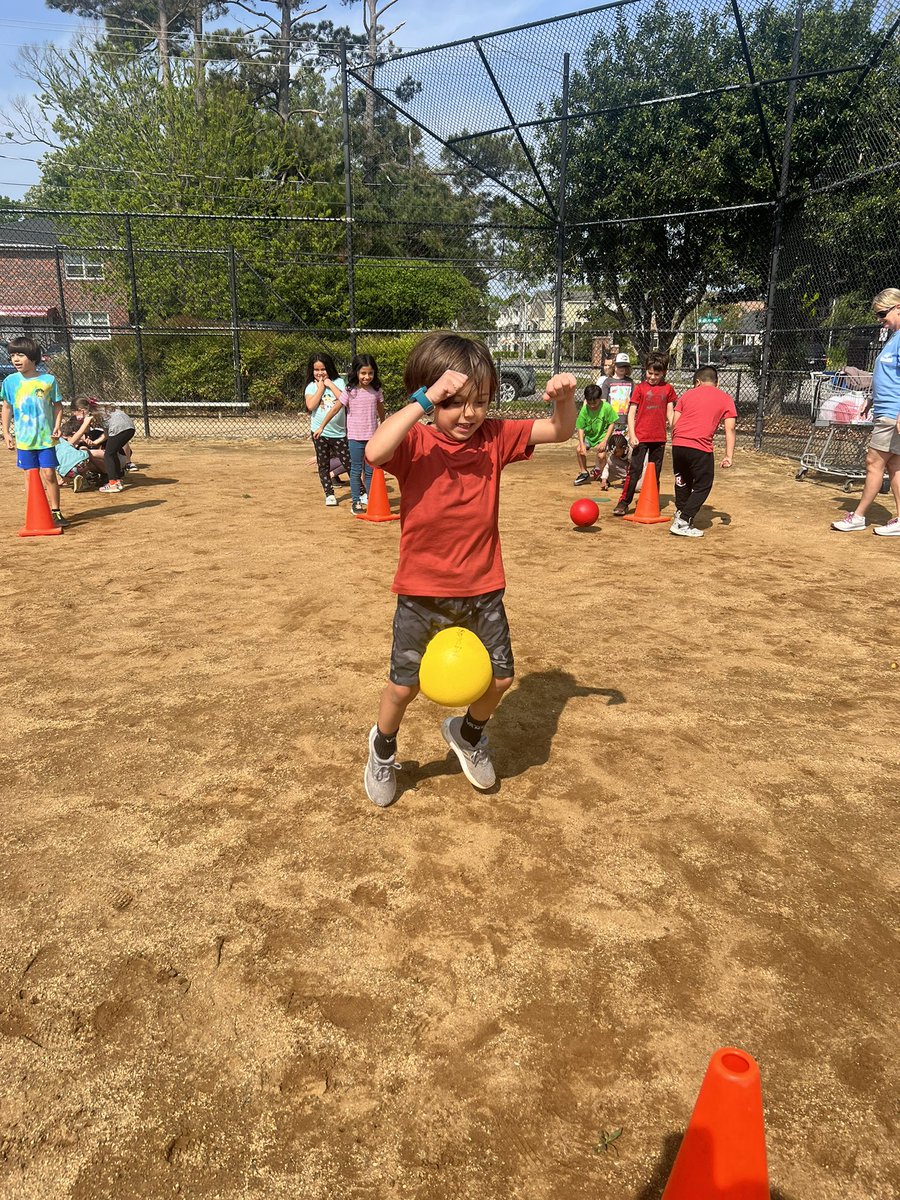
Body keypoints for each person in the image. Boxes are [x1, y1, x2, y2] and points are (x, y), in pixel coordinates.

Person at [362, 331, 577, 808]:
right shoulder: (414, 441)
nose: (469, 414)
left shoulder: (495, 437)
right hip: (422, 592)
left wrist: (565, 400)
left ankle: (468, 733)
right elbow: (375, 452)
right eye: (454, 402)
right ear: (429, 398)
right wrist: (423, 401)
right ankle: (383, 747)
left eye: (480, 402)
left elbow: (559, 431)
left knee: (500, 679)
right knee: (404, 686)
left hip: (483, 587)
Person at [831, 287, 900, 535]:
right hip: (886, 410)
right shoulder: (894, 337)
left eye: (882, 313)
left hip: (893, 413)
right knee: (894, 466)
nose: (880, 319)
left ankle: (859, 516)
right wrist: (871, 399)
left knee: (873, 462)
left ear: (898, 307)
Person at [0, 335, 67, 527]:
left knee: (49, 474)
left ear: (33, 357)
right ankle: (35, 511)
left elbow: (57, 405)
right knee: (30, 475)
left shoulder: (48, 380)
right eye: (13, 355)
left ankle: (56, 511)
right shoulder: (10, 381)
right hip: (24, 440)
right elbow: (7, 407)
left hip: (45, 438)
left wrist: (57, 425)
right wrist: (6, 432)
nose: (16, 359)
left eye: (20, 355)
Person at [669, 365, 736, 538]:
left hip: (678, 444)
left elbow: (675, 422)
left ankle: (680, 512)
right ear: (717, 382)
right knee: (703, 484)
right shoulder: (725, 398)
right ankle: (683, 521)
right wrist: (728, 456)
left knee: (682, 480)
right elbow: (730, 428)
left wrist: (677, 441)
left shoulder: (687, 394)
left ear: (697, 382)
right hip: (700, 445)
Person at [315, 353, 386, 515]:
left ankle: (371, 500)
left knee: (370, 471)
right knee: (355, 470)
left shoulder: (376, 391)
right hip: (355, 438)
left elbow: (381, 410)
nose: (367, 377)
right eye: (363, 373)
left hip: (372, 438)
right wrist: (322, 426)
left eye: (370, 373)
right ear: (356, 372)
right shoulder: (350, 391)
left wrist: (384, 425)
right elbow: (335, 408)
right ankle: (356, 502)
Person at [613, 351, 677, 516]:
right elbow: (631, 413)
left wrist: (676, 429)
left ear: (664, 373)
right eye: (650, 373)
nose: (653, 377)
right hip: (640, 437)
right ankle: (624, 502)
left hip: (659, 438)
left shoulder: (668, 389)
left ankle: (651, 502)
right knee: (634, 470)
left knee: (655, 472)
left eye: (657, 374)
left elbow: (670, 413)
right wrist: (632, 435)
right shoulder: (640, 388)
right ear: (645, 370)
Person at [305, 353, 349, 507]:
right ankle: (329, 494)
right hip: (319, 432)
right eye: (316, 370)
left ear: (329, 368)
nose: (320, 373)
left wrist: (330, 385)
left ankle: (360, 492)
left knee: (348, 462)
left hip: (339, 433)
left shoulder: (339, 382)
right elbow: (311, 406)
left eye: (323, 369)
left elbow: (344, 400)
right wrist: (321, 389)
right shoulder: (311, 386)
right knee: (323, 464)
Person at [573, 383, 617, 485]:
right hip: (590, 436)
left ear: (600, 398)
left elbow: (612, 423)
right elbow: (580, 427)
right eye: (589, 403)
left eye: (595, 403)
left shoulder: (606, 407)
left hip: (602, 436)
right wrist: (582, 444)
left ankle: (603, 475)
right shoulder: (585, 409)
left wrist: (605, 441)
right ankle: (584, 472)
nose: (592, 405)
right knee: (579, 450)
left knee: (601, 455)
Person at [600, 352, 634, 429]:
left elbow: (633, 400)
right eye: (620, 366)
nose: (622, 368)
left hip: (625, 420)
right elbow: (603, 401)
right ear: (614, 366)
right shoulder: (608, 382)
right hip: (611, 420)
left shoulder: (630, 382)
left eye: (625, 366)